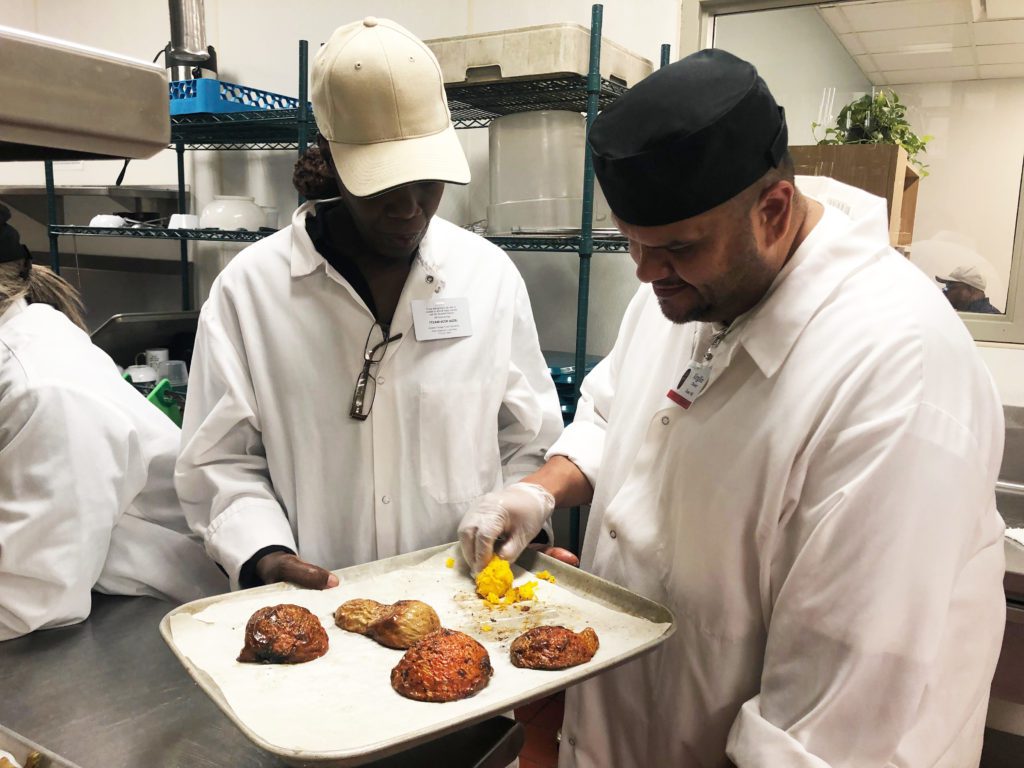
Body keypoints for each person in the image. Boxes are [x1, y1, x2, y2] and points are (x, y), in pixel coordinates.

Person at [458, 49, 1006, 767]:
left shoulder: (896, 372)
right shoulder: (683, 289)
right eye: (631, 244)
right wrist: (536, 491)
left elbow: (823, 725)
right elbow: (611, 414)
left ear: (774, 211)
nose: (647, 273)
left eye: (674, 248)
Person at [176, 16, 565, 592]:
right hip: (321, 613)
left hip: (466, 604)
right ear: (332, 161)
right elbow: (220, 462)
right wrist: (264, 554)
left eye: (427, 181)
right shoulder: (250, 293)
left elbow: (526, 437)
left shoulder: (487, 278)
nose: (409, 208)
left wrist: (520, 523)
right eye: (382, 186)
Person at [0, 205, 225, 640]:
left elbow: (31, 603)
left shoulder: (42, 390)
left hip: (163, 622)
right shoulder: (29, 330)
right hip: (101, 597)